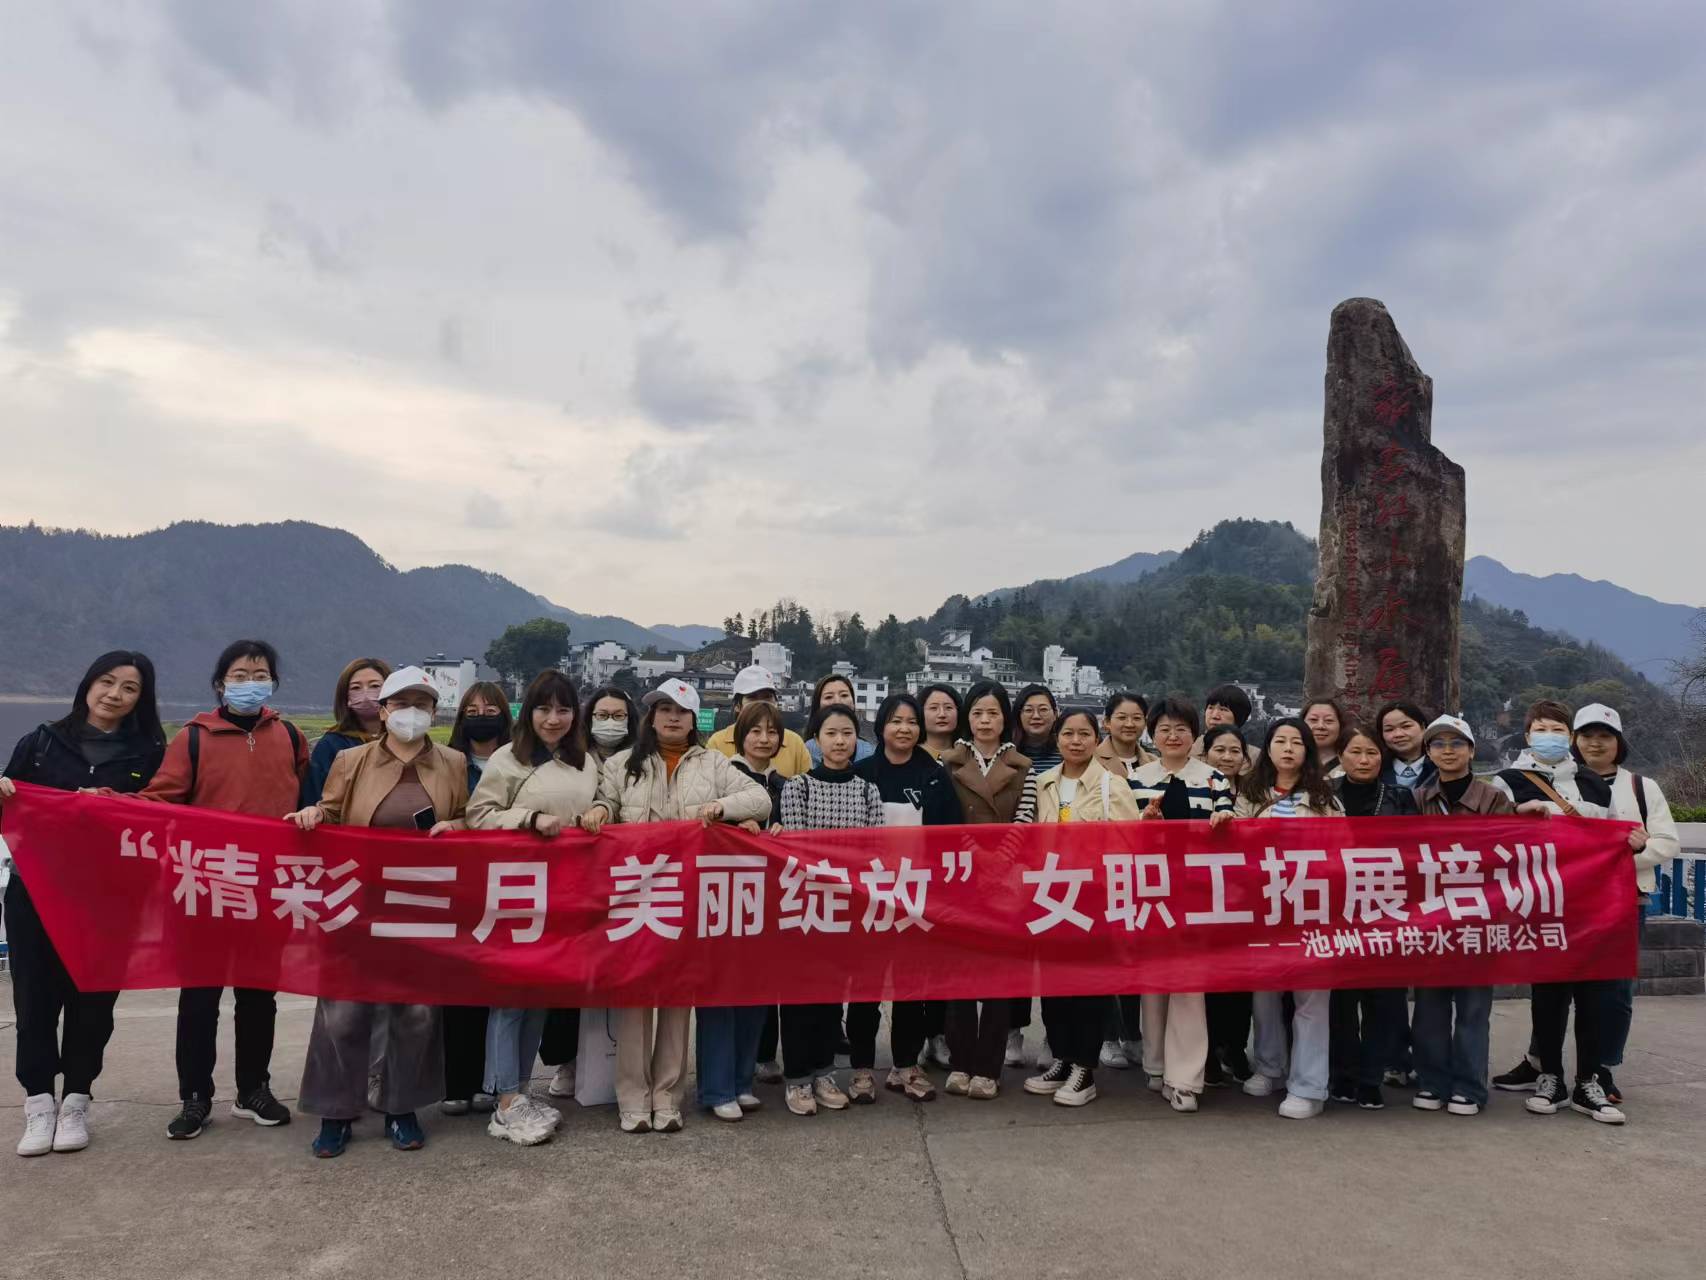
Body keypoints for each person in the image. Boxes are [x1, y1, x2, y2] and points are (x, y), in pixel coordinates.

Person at [284, 666, 469, 1157]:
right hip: (357, 898)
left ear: (434, 712)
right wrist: (314, 814)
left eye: (422, 704)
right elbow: (332, 810)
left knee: (415, 1011)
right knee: (343, 1010)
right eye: (402, 703)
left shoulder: (452, 762)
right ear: (383, 712)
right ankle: (336, 1111)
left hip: (422, 900)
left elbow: (466, 816)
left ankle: (400, 1107)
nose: (412, 712)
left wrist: (457, 826)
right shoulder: (351, 759)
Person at [580, 677, 770, 1133]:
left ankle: (667, 1096)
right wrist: (601, 811)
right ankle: (632, 1097)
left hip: (685, 899)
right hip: (635, 897)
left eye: (681, 711)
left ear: (693, 719)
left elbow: (760, 799)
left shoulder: (713, 763)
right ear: (651, 717)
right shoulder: (623, 764)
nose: (671, 717)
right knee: (634, 1001)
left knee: (676, 1002)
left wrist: (722, 808)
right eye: (663, 709)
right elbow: (605, 800)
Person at [140, 638, 308, 1141]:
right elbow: (158, 799)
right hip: (206, 883)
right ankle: (195, 1096)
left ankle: (253, 1089)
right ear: (220, 684)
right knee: (200, 997)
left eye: (259, 674)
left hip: (268, 885)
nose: (250, 683)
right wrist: (103, 802)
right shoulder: (193, 738)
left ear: (273, 682)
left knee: (259, 994)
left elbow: (310, 797)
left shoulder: (290, 735)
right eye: (239, 675)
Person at [3, 651, 166, 1157]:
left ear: (142, 698)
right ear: (88, 684)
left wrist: (120, 804)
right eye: (106, 681)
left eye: (129, 688)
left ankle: (76, 1100)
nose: (114, 694)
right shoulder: (40, 742)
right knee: (34, 1001)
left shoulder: (150, 752)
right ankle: (38, 1103)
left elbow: (166, 816)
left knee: (93, 1001)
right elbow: (9, 806)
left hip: (108, 897)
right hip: (36, 891)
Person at [463, 669, 600, 1143]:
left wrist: (601, 810)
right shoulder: (508, 759)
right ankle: (504, 1102)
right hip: (516, 891)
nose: (553, 719)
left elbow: (602, 800)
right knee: (509, 997)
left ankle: (521, 1090)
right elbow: (478, 815)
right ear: (528, 712)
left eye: (563, 709)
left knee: (539, 994)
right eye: (544, 708)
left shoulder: (584, 761)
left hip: (564, 895)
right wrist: (529, 818)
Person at [1487, 699, 1614, 1104]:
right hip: (1540, 904)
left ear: (1570, 737)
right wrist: (1515, 814)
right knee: (1549, 993)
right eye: (1541, 729)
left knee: (1592, 995)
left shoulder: (1595, 784)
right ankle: (1550, 1075)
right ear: (1528, 735)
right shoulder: (1507, 781)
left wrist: (1633, 843)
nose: (1550, 736)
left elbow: (1609, 839)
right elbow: (1487, 837)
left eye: (1558, 730)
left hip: (1589, 904)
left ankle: (1589, 1080)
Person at [1023, 709, 1140, 1109]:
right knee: (1054, 985)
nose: (1076, 741)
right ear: (1057, 738)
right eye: (1068, 734)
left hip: (1092, 899)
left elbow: (1129, 844)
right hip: (1050, 896)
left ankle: (1084, 1068)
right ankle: (1062, 1057)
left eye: (1084, 734)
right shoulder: (1043, 783)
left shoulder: (1112, 785)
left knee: (1089, 986)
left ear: (1096, 738)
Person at [851, 693, 963, 1103]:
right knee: (865, 989)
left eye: (912, 721)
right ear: (881, 726)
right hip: (867, 897)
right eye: (896, 721)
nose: (904, 729)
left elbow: (952, 837)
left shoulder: (933, 775)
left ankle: (905, 1065)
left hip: (916, 898)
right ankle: (862, 1069)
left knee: (911, 989)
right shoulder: (861, 774)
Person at [775, 703, 886, 1115]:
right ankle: (797, 1078)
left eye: (847, 733)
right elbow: (797, 849)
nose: (840, 741)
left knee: (830, 996)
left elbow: (874, 850)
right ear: (816, 740)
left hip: (848, 907)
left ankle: (823, 1071)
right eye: (831, 734)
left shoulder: (868, 790)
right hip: (805, 903)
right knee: (799, 995)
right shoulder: (798, 787)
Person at [1126, 696, 1234, 1112]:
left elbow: (1228, 820)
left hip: (1196, 892)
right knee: (1153, 983)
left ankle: (1186, 1079)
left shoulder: (1213, 779)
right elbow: (1121, 835)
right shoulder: (1135, 778)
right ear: (1152, 735)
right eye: (1164, 729)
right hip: (1150, 891)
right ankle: (1155, 1066)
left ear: (1195, 735)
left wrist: (1223, 822)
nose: (1173, 736)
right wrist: (1145, 826)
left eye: (1182, 729)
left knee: (1189, 986)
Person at [1408, 715, 1518, 1117]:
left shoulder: (1494, 799)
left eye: (1456, 743)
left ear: (1471, 750)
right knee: (1429, 1008)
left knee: (1473, 1009)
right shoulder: (1417, 799)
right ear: (1429, 752)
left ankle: (1470, 1087)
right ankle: (1432, 1081)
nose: (1448, 751)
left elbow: (1507, 854)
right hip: (1430, 918)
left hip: (1478, 918)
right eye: (1438, 744)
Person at [1571, 702, 1679, 1107]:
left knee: (1616, 990)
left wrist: (1633, 851)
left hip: (1624, 901)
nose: (1595, 743)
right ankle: (1541, 1062)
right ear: (1575, 741)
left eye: (1605, 736)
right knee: (1555, 987)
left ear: (1619, 742)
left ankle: (1602, 1066)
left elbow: (1666, 843)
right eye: (1587, 736)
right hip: (1570, 902)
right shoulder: (1559, 784)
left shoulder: (1641, 787)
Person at [1235, 717, 1343, 1119]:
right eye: (1279, 741)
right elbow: (1233, 847)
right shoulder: (1249, 794)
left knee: (1311, 999)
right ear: (1268, 748)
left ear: (1307, 751)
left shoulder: (1325, 798)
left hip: (1311, 909)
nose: (1287, 748)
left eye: (1296, 742)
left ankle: (1309, 1087)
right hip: (1263, 908)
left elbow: (1343, 851)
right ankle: (1270, 1067)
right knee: (1264, 993)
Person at [938, 681, 1035, 1100]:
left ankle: (988, 1068)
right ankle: (961, 1061)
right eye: (977, 712)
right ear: (967, 717)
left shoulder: (1024, 766)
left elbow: (1026, 819)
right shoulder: (947, 763)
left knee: (998, 978)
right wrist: (975, 854)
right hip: (960, 876)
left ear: (1005, 719)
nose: (985, 721)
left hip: (1007, 880)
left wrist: (1000, 859)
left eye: (993, 713)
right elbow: (945, 817)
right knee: (959, 976)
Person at [699, 698, 788, 1113]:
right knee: (720, 993)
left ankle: (741, 1080)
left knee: (756, 992)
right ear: (739, 735)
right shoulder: (724, 775)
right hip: (724, 898)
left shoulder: (786, 783)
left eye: (772, 732)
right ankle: (717, 1089)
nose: (764, 739)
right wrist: (737, 825)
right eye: (755, 730)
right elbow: (706, 826)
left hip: (767, 901)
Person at [1327, 723, 1418, 1110]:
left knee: (1383, 1000)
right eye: (1355, 752)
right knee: (1341, 1001)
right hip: (1334, 909)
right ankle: (1343, 1074)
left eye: (1372, 753)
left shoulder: (1400, 797)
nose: (1364, 760)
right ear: (1340, 756)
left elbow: (1417, 851)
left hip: (1386, 908)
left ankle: (1371, 1077)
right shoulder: (1323, 794)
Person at [1007, 683, 1062, 1061]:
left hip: (1059, 867)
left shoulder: (1069, 751)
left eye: (1043, 708)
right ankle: (1013, 1032)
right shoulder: (1008, 755)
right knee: (1016, 956)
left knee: (1056, 957)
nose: (1036, 715)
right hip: (1016, 866)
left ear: (1055, 713)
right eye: (1028, 709)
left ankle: (1053, 1038)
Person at [1199, 724, 1254, 1084]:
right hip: (1203, 896)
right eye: (1219, 750)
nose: (1227, 757)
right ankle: (1208, 1052)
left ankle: (1235, 1047)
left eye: (1235, 751)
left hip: (1247, 897)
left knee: (1241, 980)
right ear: (1205, 755)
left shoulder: (1255, 792)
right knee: (1209, 979)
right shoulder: (1196, 788)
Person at [299, 657, 392, 806]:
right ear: (345, 697)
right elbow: (315, 799)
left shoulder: (404, 741)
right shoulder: (331, 745)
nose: (366, 694)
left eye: (375, 686)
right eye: (356, 688)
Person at [704, 666, 812, 776]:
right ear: (737, 706)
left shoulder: (794, 743)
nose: (761, 704)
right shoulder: (717, 743)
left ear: (776, 703)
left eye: (767, 697)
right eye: (752, 698)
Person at [447, 680, 514, 792]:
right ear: (462, 718)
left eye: (490, 711)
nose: (481, 715)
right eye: (472, 711)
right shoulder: (447, 764)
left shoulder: (519, 762)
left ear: (504, 716)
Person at [805, 673, 876, 765]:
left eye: (844, 695)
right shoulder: (804, 752)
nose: (837, 701)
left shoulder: (868, 752)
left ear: (853, 703)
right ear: (817, 705)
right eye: (829, 697)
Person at [1193, 684, 1261, 765]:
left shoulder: (1254, 758)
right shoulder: (1189, 748)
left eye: (1223, 709)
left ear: (1239, 717)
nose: (1215, 716)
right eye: (1210, 708)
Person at [1094, 690, 1154, 782]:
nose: (1129, 724)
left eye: (1137, 718)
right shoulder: (1091, 761)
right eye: (1122, 718)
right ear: (1107, 722)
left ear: (1145, 723)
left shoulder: (1155, 764)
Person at [1375, 700, 1434, 793]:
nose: (1398, 734)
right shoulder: (1375, 770)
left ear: (1423, 727)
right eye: (1389, 729)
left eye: (1406, 726)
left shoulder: (1440, 767)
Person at [1301, 697, 1348, 776]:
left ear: (1341, 725)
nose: (1321, 726)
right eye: (1313, 720)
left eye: (1329, 720)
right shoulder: (1292, 760)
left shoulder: (1350, 765)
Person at [920, 683, 963, 760]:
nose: (942, 714)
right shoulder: (909, 754)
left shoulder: (970, 755)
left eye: (948, 707)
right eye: (933, 708)